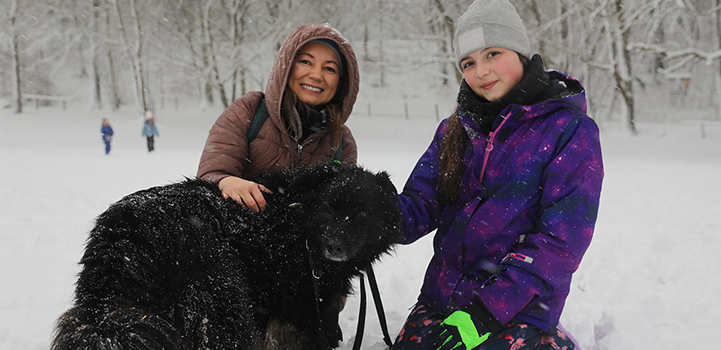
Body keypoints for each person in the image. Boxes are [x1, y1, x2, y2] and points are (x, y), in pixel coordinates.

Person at [392, 0, 604, 349]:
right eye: (469, 62)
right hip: (441, 300)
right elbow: (419, 204)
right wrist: (368, 214)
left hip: (516, 308)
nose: (481, 71)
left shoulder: (568, 131)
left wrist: (485, 312)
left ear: (520, 53)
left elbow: (561, 243)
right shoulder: (454, 130)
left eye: (493, 53)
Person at [196, 23, 360, 347]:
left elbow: (340, 230)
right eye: (306, 61)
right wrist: (227, 181)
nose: (316, 74)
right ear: (287, 65)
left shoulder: (343, 144)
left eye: (330, 68)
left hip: (304, 289)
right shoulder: (249, 111)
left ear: (341, 83)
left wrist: (329, 305)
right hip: (241, 273)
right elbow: (209, 176)